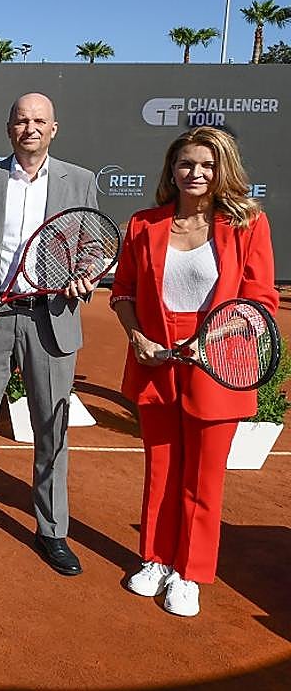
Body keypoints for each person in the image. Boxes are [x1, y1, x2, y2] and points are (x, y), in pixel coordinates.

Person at [110, 126, 276, 617]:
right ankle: (156, 560)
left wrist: (209, 341)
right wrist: (138, 337)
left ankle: (191, 573)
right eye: (186, 163)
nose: (196, 173)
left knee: (204, 478)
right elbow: (122, 293)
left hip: (218, 362)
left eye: (207, 164)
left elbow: (260, 300)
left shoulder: (248, 224)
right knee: (160, 469)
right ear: (171, 169)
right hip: (157, 359)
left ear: (223, 169)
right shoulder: (144, 224)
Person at [0, 92, 97, 575]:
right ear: (9, 129)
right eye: (22, 120)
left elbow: (92, 245)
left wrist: (85, 275)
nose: (30, 127)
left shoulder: (81, 181)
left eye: (39, 120)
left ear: (54, 128)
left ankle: (52, 529)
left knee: (53, 428)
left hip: (52, 318)